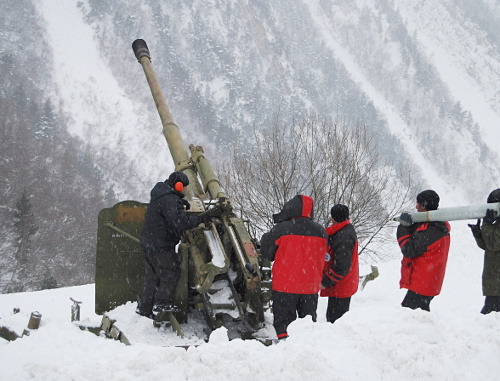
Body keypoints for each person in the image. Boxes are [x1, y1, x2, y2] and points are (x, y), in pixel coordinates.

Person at [136, 171, 210, 318]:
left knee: (152, 276)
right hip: (160, 245)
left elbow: (167, 210)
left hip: (149, 243)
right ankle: (162, 304)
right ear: (178, 185)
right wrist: (201, 219)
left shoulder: (162, 194)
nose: (185, 190)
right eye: (184, 187)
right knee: (171, 272)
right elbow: (179, 223)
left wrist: (180, 202)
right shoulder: (170, 200)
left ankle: (144, 308)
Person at [260, 195, 327, 340]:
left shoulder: (281, 229)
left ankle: (285, 346)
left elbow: (267, 253)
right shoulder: (321, 231)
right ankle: (305, 347)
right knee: (307, 322)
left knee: (283, 322)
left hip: (285, 285)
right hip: (310, 285)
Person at [396, 190, 451, 311]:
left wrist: (403, 227)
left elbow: (409, 249)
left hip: (422, 283)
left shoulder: (430, 231)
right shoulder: (436, 225)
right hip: (427, 282)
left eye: (419, 204)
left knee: (410, 315)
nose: (416, 207)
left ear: (424, 206)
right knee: (418, 316)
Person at [320, 204, 359, 323]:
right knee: (335, 318)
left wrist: (325, 281)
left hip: (341, 285)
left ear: (333, 218)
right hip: (342, 284)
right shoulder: (344, 231)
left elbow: (342, 266)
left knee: (335, 321)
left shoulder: (343, 236)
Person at [468, 188, 500, 314]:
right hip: (494, 283)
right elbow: (489, 246)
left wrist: (486, 225)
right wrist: (478, 235)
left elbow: (493, 244)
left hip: (497, 285)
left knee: (489, 318)